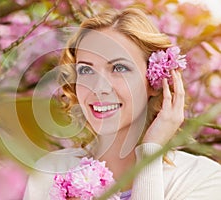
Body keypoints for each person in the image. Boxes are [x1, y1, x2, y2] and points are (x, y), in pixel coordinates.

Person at [23, 7, 221, 200]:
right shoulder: (50, 173)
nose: (99, 87)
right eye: (85, 70)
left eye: (119, 67)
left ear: (155, 81)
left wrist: (150, 152)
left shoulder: (203, 178)